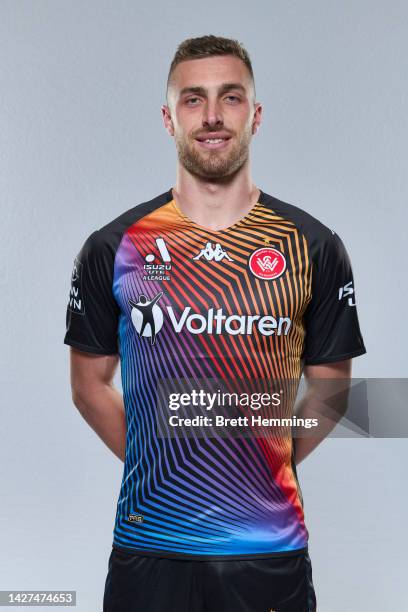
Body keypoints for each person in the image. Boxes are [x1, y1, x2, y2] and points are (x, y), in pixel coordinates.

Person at [64, 34, 367, 612]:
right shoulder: (114, 246)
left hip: (267, 550)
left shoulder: (315, 246)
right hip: (149, 550)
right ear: (168, 117)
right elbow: (88, 386)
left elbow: (333, 388)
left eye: (230, 98)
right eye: (192, 99)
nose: (211, 116)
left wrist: (259, 455)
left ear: (255, 115)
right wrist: (164, 462)